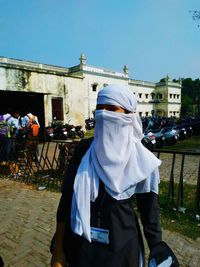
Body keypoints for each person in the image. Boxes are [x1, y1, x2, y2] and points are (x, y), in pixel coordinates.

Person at [51, 84, 163, 267]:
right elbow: (66, 201)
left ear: (128, 115)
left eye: (111, 109)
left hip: (122, 249)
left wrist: (159, 253)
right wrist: (58, 250)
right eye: (99, 109)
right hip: (81, 246)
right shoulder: (85, 150)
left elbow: (150, 216)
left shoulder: (142, 160)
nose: (103, 114)